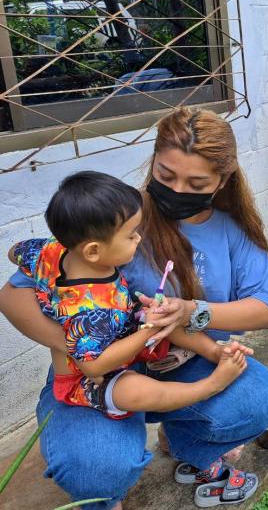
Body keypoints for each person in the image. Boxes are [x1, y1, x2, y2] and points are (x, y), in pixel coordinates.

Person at [0, 107, 268, 509]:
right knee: (94, 468)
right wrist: (87, 350)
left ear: (222, 181)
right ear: (153, 161)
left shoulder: (232, 232)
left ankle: (185, 439)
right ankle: (104, 491)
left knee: (258, 399)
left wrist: (191, 312)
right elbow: (13, 295)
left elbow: (266, 309)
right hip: (95, 372)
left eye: (196, 183)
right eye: (166, 176)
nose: (177, 190)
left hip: (179, 358)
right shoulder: (112, 217)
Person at [9, 171, 252, 421]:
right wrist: (147, 331)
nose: (139, 237)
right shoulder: (89, 311)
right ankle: (209, 386)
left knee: (164, 314)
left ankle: (213, 352)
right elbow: (93, 366)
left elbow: (15, 250)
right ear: (93, 251)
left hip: (119, 330)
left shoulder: (53, 250)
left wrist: (149, 322)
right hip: (88, 376)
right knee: (134, 390)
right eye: (131, 234)